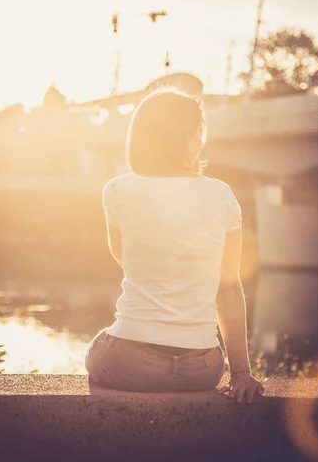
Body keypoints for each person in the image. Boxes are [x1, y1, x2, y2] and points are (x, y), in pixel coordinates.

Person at [85, 87, 264, 403]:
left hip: (129, 364)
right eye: (200, 129)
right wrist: (240, 372)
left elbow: (127, 261)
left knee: (99, 346)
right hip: (203, 368)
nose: (202, 138)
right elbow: (228, 289)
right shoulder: (222, 195)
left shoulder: (117, 191)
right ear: (190, 136)